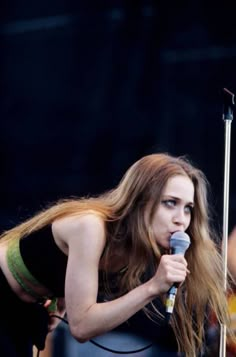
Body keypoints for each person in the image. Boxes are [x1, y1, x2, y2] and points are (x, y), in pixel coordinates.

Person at [0, 153, 233, 357]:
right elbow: (81, 326)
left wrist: (57, 300)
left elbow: (59, 266)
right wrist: (152, 287)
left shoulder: (138, 249)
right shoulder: (92, 226)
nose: (180, 219)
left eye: (188, 208)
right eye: (170, 203)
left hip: (23, 308)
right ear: (140, 201)